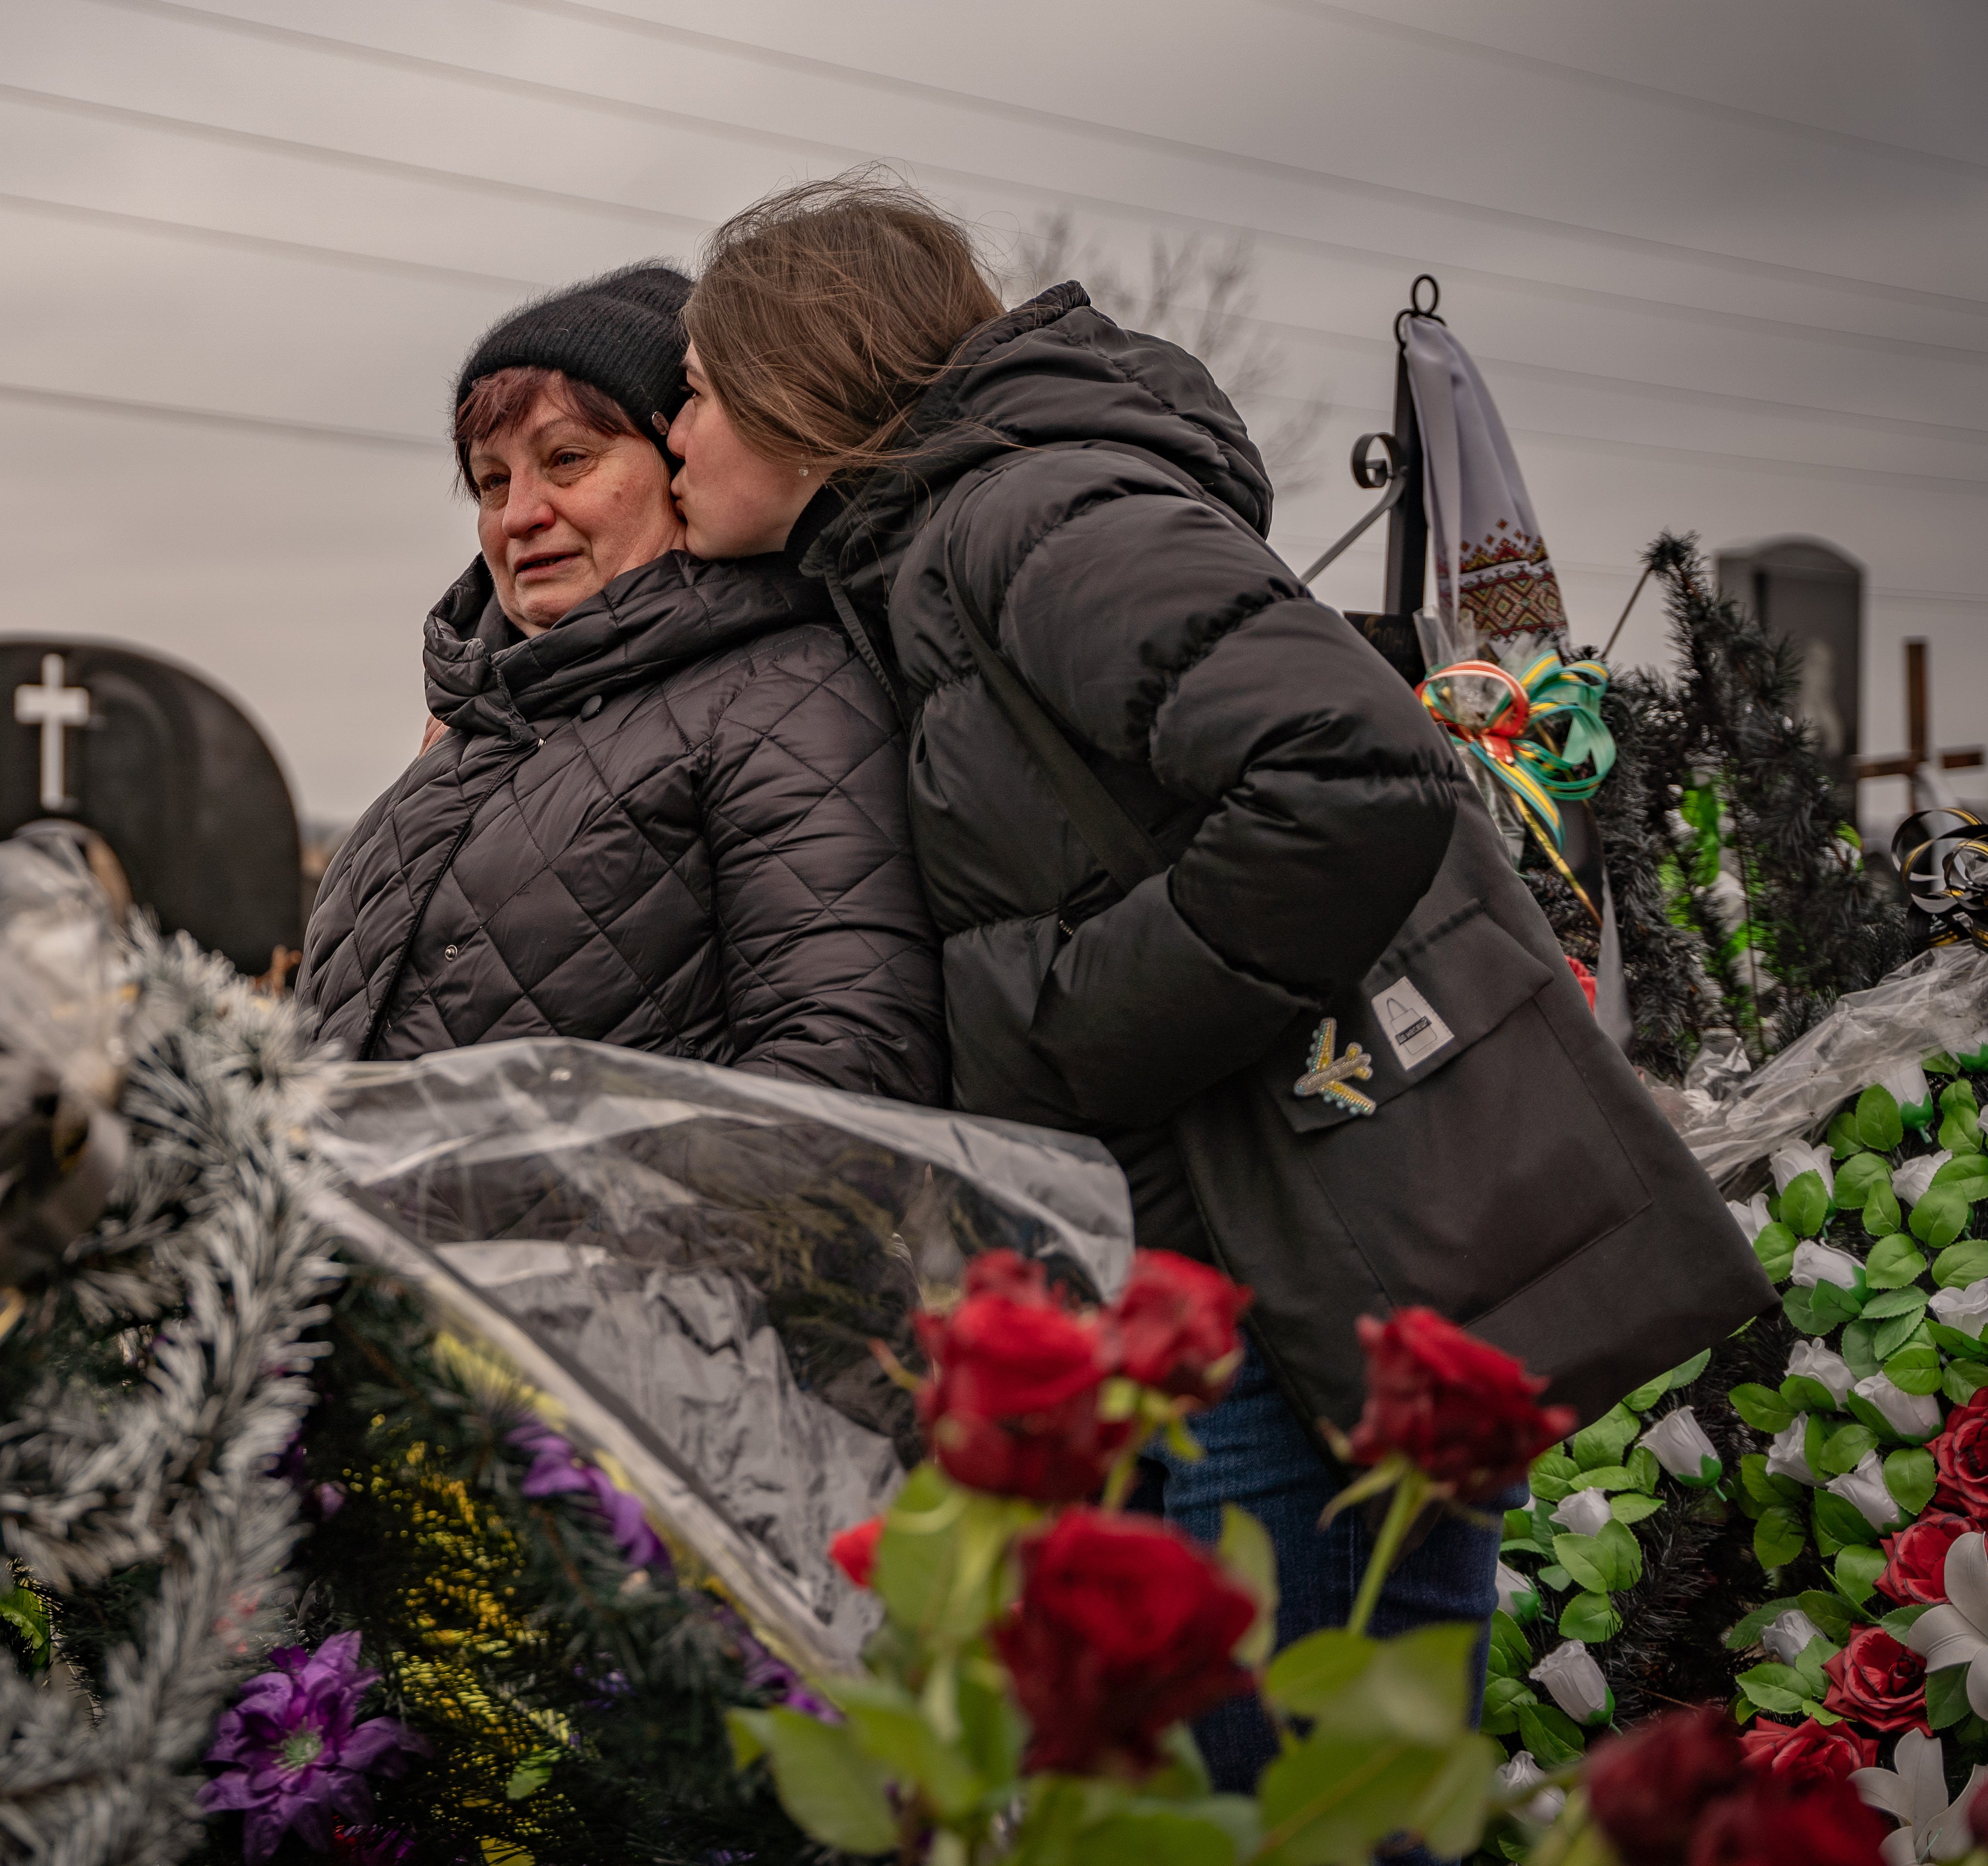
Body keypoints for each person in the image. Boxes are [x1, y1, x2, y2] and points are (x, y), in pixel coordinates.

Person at [670, 176, 1767, 1795]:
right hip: (1226, 1290)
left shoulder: (1037, 519)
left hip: (1297, 1326)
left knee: (1298, 1820)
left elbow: (1350, 775)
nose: (673, 428)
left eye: (693, 386)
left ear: (796, 372)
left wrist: (1053, 1027)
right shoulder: (923, 563)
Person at [299, 264, 944, 1104]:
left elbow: (849, 1064)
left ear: (682, 456)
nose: (520, 513)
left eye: (567, 460)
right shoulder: (478, 723)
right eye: (493, 481)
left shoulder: (784, 695)